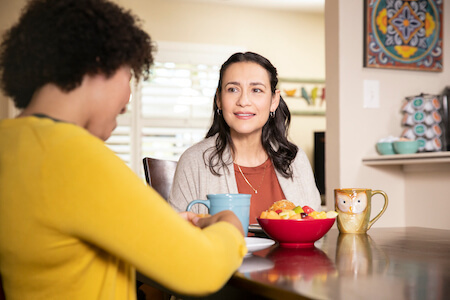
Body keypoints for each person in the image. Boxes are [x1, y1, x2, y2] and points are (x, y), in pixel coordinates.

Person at [0, 1, 246, 299]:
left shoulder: (10, 142)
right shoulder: (74, 156)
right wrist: (231, 224)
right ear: (99, 63)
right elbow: (202, 269)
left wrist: (156, 225)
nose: (128, 99)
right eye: (128, 75)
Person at [169, 52, 321, 224]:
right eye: (233, 89)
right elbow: (177, 237)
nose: (243, 101)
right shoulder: (193, 162)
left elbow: (315, 227)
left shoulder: (295, 159)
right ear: (219, 98)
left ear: (274, 100)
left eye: (256, 90)